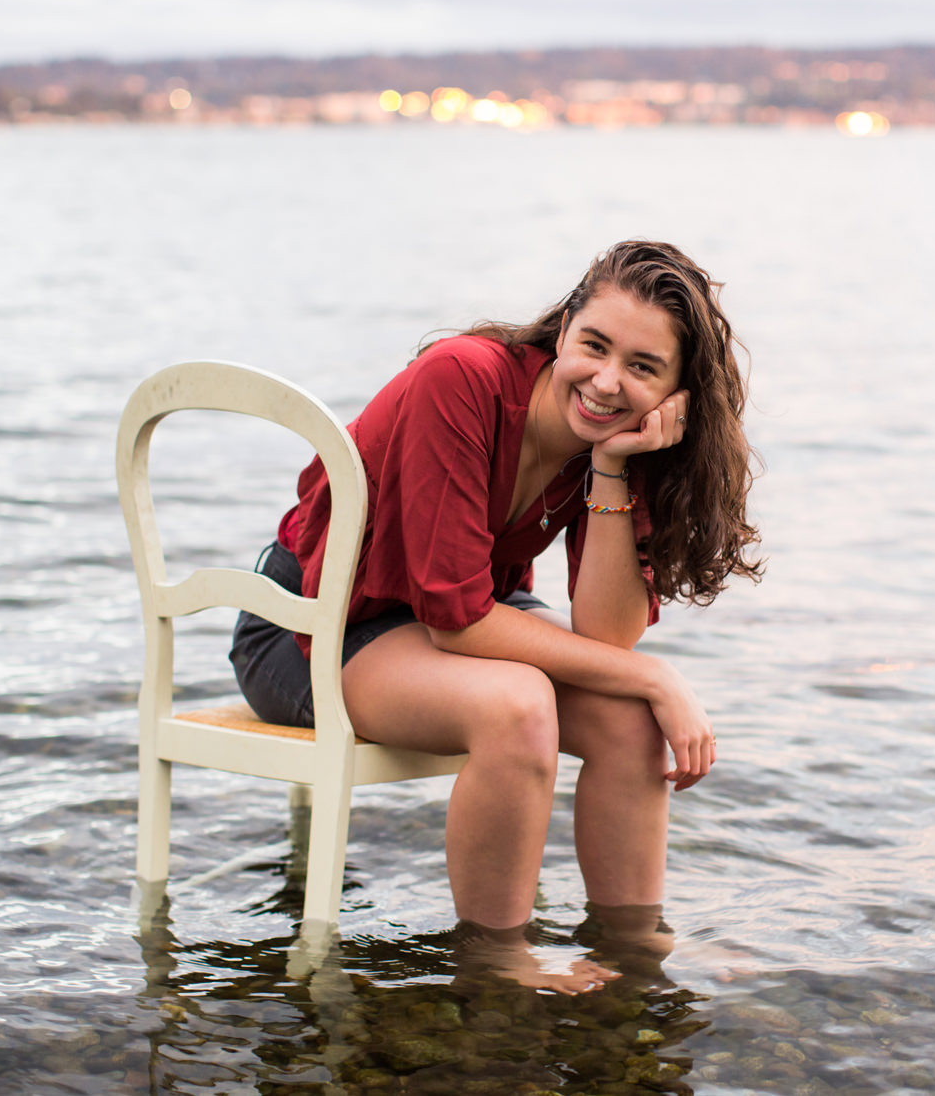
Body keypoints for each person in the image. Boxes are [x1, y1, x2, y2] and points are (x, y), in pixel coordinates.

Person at [232, 240, 762, 991]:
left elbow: (606, 633)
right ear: (565, 325)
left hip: (449, 611)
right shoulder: (464, 378)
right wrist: (656, 675)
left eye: (643, 368)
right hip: (313, 623)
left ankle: (634, 948)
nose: (607, 381)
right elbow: (456, 618)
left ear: (677, 393)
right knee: (520, 707)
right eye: (595, 346)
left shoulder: (608, 439)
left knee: (627, 719)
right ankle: (494, 960)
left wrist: (613, 465)